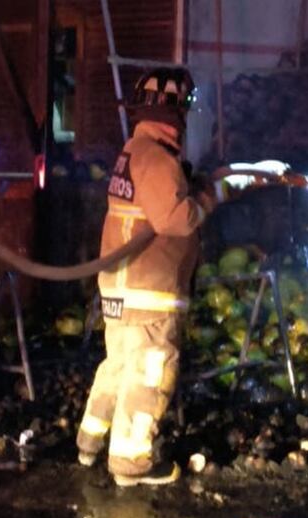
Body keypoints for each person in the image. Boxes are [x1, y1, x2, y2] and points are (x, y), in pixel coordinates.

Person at [76, 67, 217, 486]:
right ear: (176, 112)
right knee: (150, 373)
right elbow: (174, 219)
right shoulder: (156, 158)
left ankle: (89, 443)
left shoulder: (136, 150)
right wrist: (210, 197)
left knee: (119, 366)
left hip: (124, 287)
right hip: (148, 291)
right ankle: (131, 463)